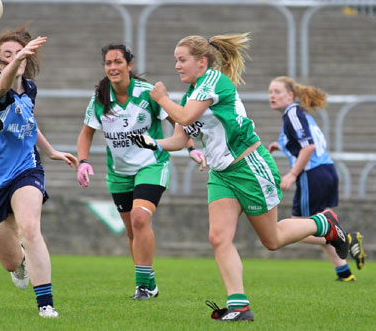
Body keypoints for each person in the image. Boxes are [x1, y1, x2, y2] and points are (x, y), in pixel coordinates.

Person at [128, 33, 350, 322]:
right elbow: (180, 138)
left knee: (273, 240)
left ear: (202, 61)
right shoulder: (190, 94)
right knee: (218, 238)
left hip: (249, 168)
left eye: (182, 60)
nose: (177, 66)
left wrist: (160, 98)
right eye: (175, 61)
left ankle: (324, 224)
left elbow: (183, 116)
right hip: (221, 175)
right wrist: (150, 142)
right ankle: (239, 306)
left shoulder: (213, 81)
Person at [76, 43, 205, 301]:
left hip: (151, 164)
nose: (113, 67)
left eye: (118, 62)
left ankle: (142, 287)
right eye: (108, 63)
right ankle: (150, 280)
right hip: (119, 172)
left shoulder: (147, 93)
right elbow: (86, 133)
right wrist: (83, 161)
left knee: (139, 218)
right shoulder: (100, 99)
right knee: (132, 231)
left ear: (129, 66)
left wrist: (191, 148)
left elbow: (177, 121)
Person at [0, 24, 78, 318]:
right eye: (8, 55)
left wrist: (50, 150)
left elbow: (27, 120)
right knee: (11, 261)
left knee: (30, 229)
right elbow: (3, 88)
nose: (16, 58)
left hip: (25, 169)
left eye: (20, 53)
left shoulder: (30, 88)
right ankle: (20, 264)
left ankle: (46, 305)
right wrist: (19, 59)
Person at [267, 76, 366, 279]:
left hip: (313, 175)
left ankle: (346, 238)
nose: (272, 96)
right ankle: (344, 272)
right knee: (322, 222)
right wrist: (280, 145)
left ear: (291, 95)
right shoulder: (298, 114)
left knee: (299, 227)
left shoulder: (292, 113)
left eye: (277, 92)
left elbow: (309, 146)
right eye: (270, 92)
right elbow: (307, 141)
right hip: (327, 171)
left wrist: (293, 174)